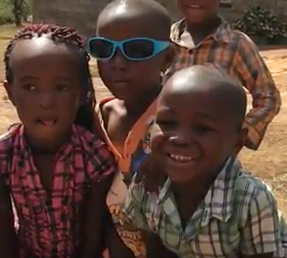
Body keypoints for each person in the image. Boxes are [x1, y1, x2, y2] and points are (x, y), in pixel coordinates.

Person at [122, 65, 287, 258]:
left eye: (202, 128)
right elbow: (154, 249)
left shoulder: (249, 200)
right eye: (167, 123)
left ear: (237, 142)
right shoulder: (147, 185)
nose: (179, 138)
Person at [0, 23, 116, 258]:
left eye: (61, 87)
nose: (46, 101)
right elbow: (4, 236)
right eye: (30, 87)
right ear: (10, 92)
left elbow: (91, 239)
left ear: (82, 92)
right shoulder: (4, 155)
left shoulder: (95, 157)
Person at [86, 0, 174, 257]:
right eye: (104, 49)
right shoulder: (99, 116)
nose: (117, 63)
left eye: (136, 50)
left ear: (167, 58)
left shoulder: (179, 119)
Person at [169, 0, 281, 150]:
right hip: (168, 153)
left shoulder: (236, 45)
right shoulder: (164, 42)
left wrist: (242, 134)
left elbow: (269, 97)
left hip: (214, 159)